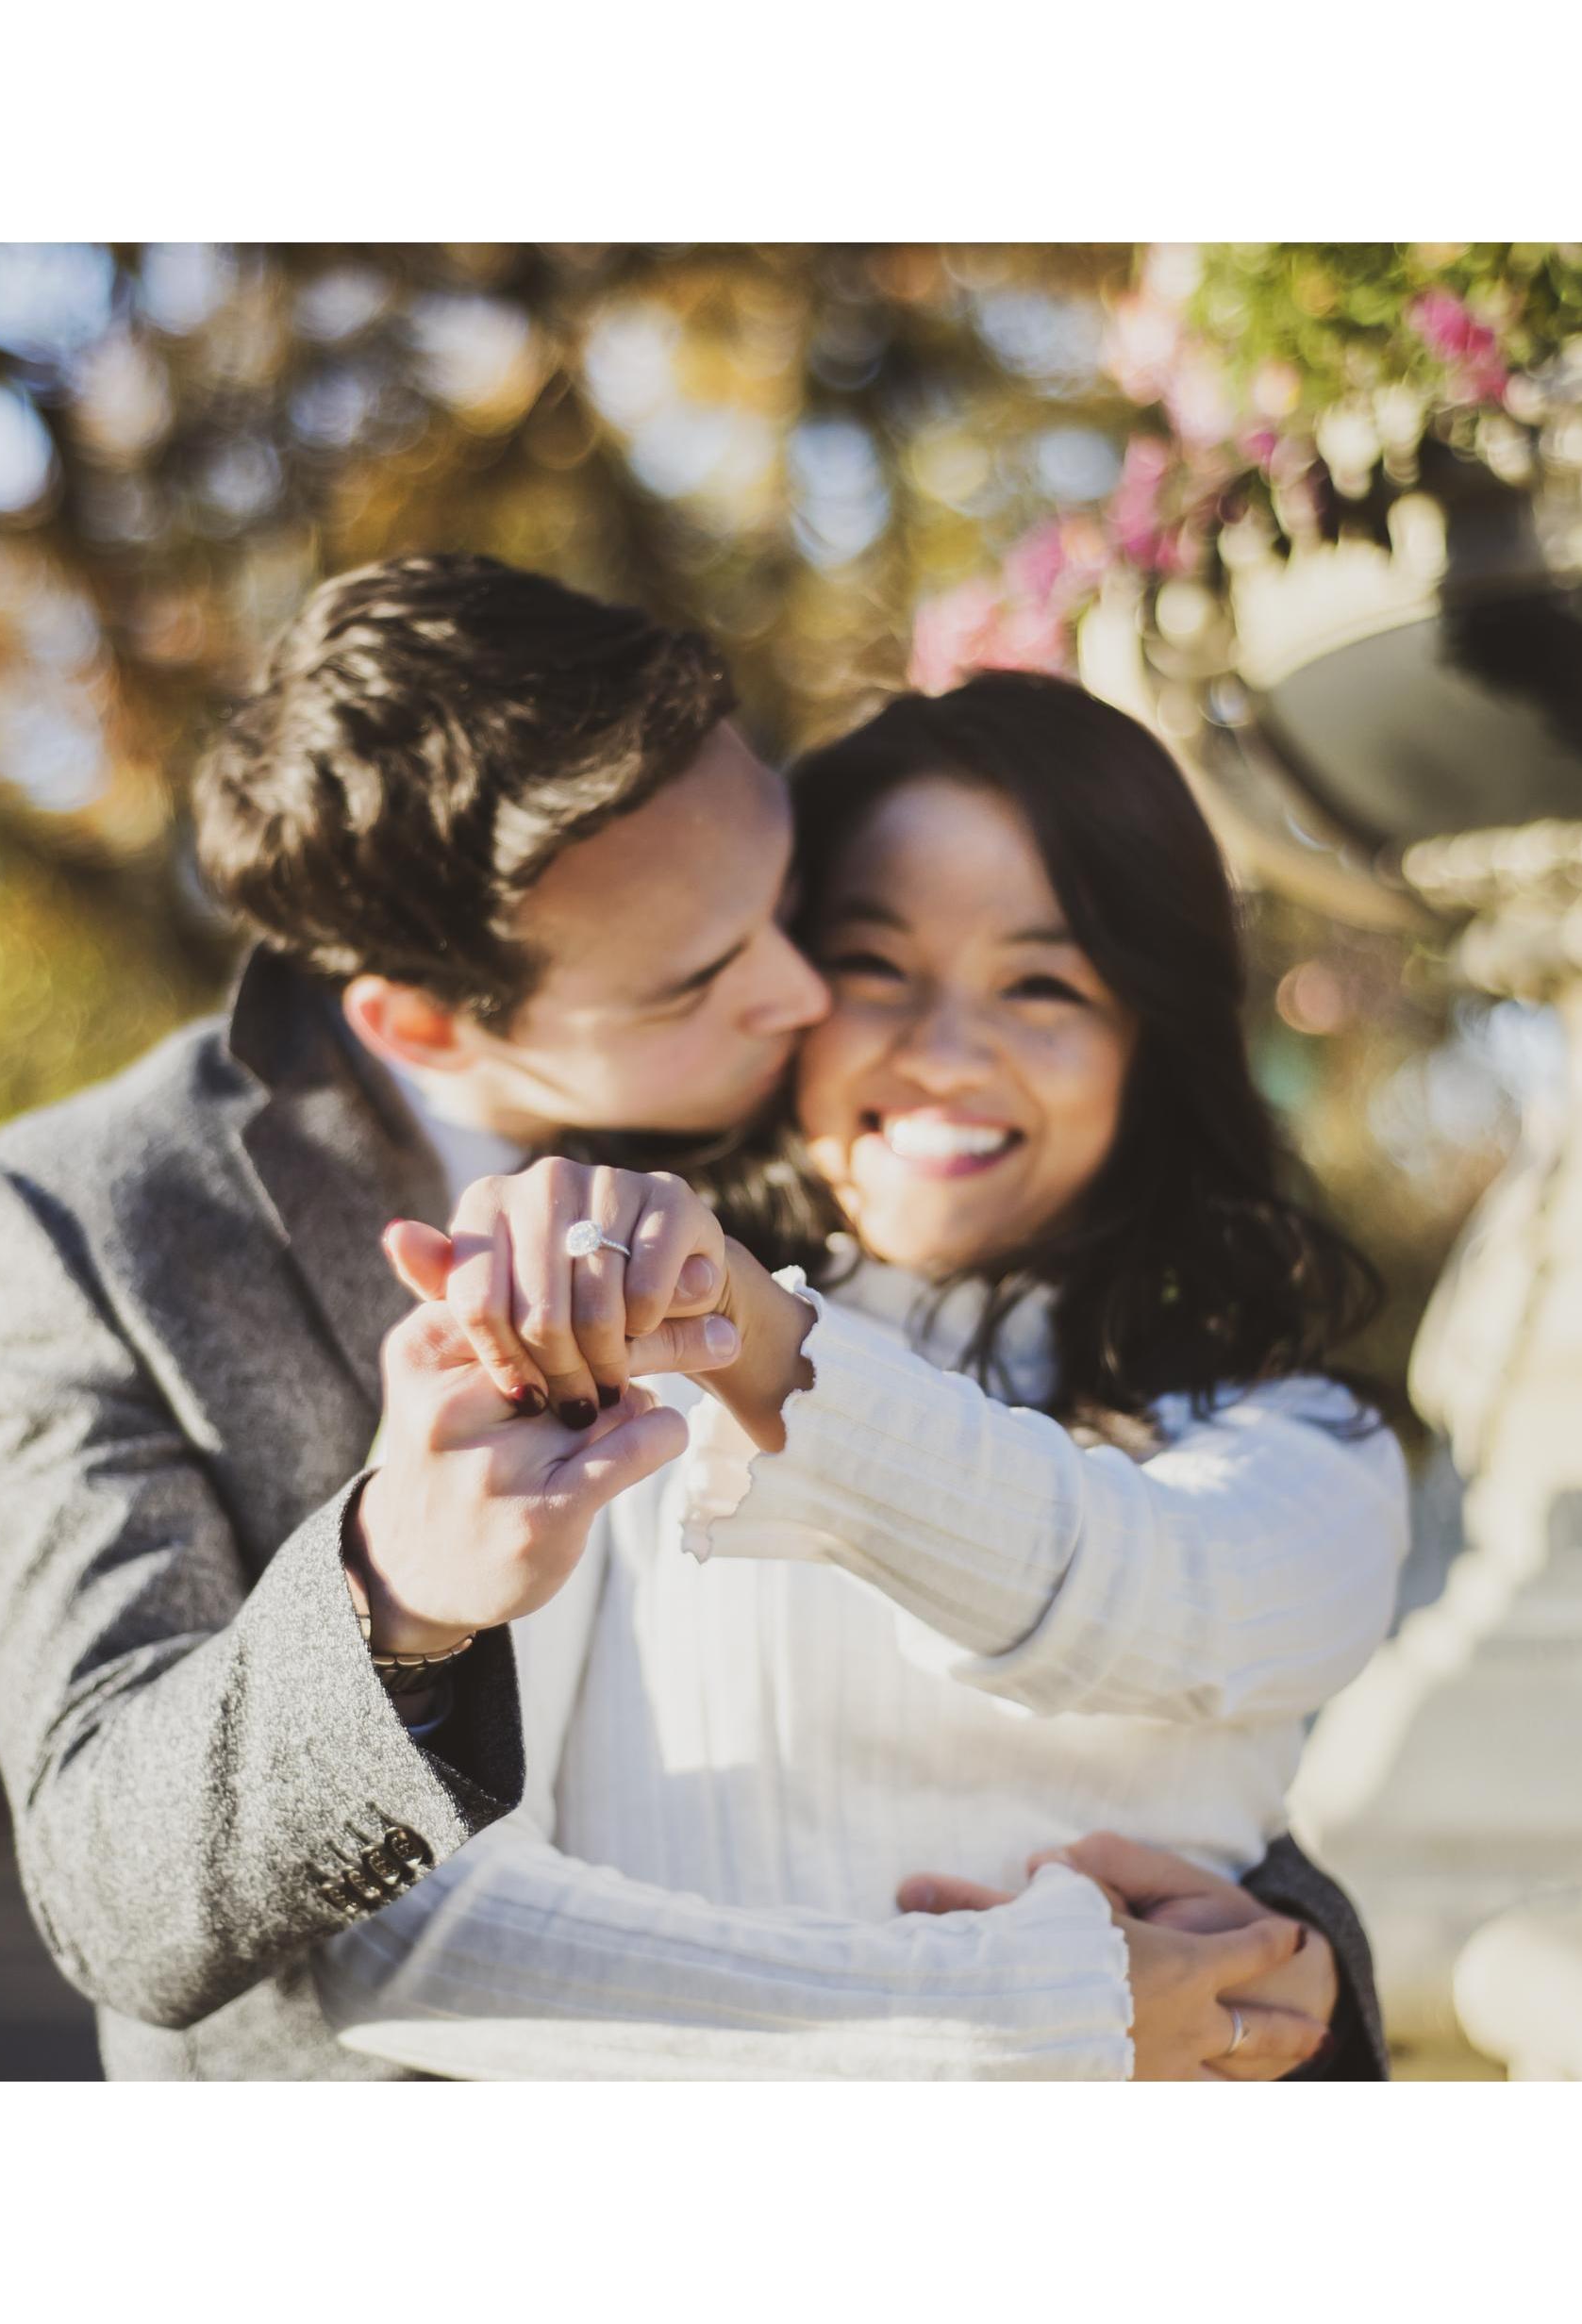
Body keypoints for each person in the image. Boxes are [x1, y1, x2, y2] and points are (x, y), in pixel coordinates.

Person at [0, 555, 1379, 2080]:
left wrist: (1282, 1960)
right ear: (426, 1022)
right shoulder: (87, 1223)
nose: (811, 994)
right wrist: (395, 1591)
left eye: (798, 901)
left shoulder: (800, 1138)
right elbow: (118, 1890)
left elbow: (1178, 1621)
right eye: (701, 978)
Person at [315, 672, 1409, 2078]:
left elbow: (1154, 1599)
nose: (946, 1053)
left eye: (1044, 983)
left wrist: (763, 1345)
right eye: (877, 967)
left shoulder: (1301, 1435)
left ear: (1153, 1035)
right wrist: (1028, 2020)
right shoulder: (598, 1365)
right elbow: (405, 1945)